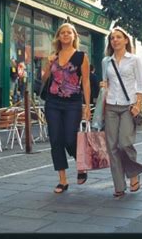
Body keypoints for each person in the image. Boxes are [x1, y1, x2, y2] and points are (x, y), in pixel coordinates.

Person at [42, 23, 91, 194]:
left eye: (68, 32)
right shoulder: (53, 56)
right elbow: (45, 79)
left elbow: (85, 81)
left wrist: (87, 105)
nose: (65, 35)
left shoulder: (81, 56)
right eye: (62, 32)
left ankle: (81, 164)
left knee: (70, 139)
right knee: (56, 140)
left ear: (74, 36)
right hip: (52, 102)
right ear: (58, 36)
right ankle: (62, 180)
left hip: (73, 103)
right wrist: (48, 65)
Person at [101, 27, 142, 198]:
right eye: (112, 38)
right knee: (112, 147)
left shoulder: (134, 60)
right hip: (111, 106)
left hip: (129, 106)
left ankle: (134, 173)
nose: (115, 40)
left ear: (126, 40)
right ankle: (119, 185)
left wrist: (139, 104)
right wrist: (103, 87)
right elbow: (105, 82)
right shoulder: (106, 61)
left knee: (124, 143)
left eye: (118, 37)